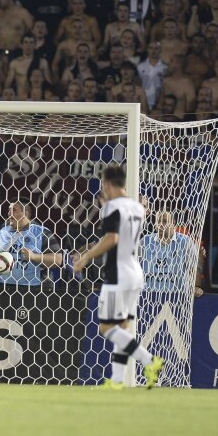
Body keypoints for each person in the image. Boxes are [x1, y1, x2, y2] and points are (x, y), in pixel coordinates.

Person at [71, 165, 165, 390]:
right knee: (122, 328)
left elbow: (112, 239)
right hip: (135, 272)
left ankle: (149, 360)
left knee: (106, 329)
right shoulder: (138, 208)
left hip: (118, 274)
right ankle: (117, 380)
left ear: (106, 184)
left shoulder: (112, 207)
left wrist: (86, 257)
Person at [140, 209, 198, 295]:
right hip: (149, 297)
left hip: (176, 297)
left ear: (173, 223)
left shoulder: (185, 241)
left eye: (164, 221)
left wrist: (196, 286)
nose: (160, 225)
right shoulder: (145, 241)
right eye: (158, 221)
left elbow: (194, 269)